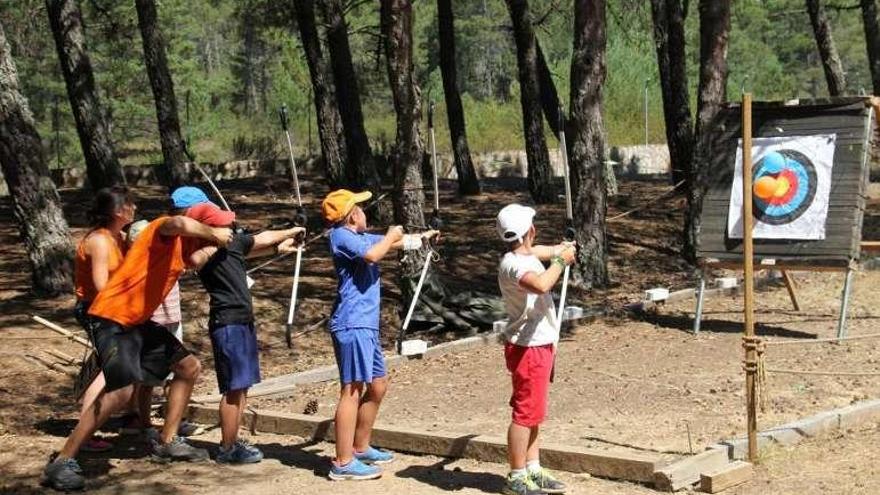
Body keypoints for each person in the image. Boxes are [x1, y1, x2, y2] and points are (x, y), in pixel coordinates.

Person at [41, 194, 233, 492]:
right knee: (122, 390)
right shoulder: (160, 228)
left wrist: (235, 241)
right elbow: (178, 222)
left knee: (188, 367)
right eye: (213, 225)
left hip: (136, 321)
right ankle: (62, 461)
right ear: (198, 224)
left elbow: (202, 257)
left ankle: (168, 442)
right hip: (112, 317)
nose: (223, 231)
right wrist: (213, 234)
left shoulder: (183, 248)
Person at [321, 189, 438, 481]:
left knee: (378, 385)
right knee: (352, 390)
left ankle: (360, 447)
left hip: (366, 325)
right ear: (351, 214)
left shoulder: (359, 237)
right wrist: (389, 234)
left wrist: (424, 238)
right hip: (351, 323)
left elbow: (396, 244)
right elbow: (375, 253)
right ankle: (343, 462)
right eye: (360, 208)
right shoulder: (341, 237)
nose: (365, 212)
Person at [183, 196, 304, 464]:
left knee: (243, 386)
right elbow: (193, 258)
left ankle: (233, 440)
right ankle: (227, 449)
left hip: (242, 320)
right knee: (233, 388)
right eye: (221, 226)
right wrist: (214, 239)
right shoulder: (203, 252)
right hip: (227, 322)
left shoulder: (231, 244)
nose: (230, 229)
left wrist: (287, 236)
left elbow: (260, 239)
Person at [496, 204, 575, 495]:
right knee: (524, 413)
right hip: (528, 347)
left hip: (539, 343)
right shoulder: (514, 265)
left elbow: (539, 251)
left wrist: (560, 249)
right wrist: (561, 262)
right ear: (530, 230)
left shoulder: (521, 255)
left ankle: (532, 468)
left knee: (534, 411)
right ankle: (516, 475)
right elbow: (541, 284)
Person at [72, 186, 136, 453]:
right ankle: (83, 434)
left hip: (115, 309)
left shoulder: (118, 236)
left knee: (104, 371)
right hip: (98, 310)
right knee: (106, 373)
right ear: (119, 211)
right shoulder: (99, 240)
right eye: (131, 204)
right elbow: (101, 284)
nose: (135, 208)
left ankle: (87, 431)